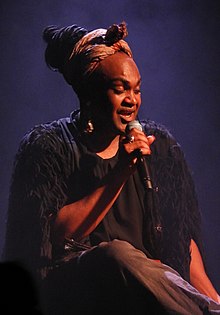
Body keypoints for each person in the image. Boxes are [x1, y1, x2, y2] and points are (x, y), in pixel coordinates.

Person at [2, 21, 220, 315]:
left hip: (147, 298)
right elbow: (49, 238)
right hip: (82, 295)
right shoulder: (49, 148)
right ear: (90, 93)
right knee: (115, 254)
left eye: (137, 89)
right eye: (120, 89)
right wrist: (120, 172)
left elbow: (181, 242)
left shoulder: (161, 150)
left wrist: (213, 302)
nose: (132, 100)